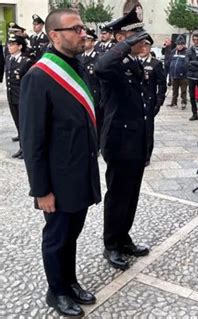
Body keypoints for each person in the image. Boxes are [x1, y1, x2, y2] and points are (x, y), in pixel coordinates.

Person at [20, 8, 101, 317]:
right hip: (57, 180)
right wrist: (41, 191)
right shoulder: (38, 77)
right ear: (55, 35)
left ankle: (69, 282)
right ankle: (56, 291)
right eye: (75, 29)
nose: (83, 33)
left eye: (82, 28)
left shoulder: (78, 67)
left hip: (80, 172)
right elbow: (32, 141)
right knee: (57, 238)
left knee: (72, 234)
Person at [95, 4, 151, 271]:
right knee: (118, 195)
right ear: (121, 38)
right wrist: (125, 43)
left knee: (131, 194)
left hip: (136, 143)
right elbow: (101, 67)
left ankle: (124, 237)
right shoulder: (112, 62)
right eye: (135, 35)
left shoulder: (131, 61)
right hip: (119, 143)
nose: (142, 40)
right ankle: (111, 244)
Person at [139, 35, 167, 165]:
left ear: (150, 47)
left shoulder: (155, 64)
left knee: (147, 130)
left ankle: (146, 155)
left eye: (146, 46)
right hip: (135, 101)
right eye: (142, 45)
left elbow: (162, 85)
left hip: (149, 101)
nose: (143, 48)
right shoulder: (134, 61)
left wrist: (159, 102)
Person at [5, 34, 33, 159]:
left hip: (22, 98)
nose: (9, 47)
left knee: (24, 125)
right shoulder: (9, 59)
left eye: (12, 45)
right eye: (9, 44)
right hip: (12, 97)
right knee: (18, 124)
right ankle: (22, 147)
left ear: (20, 46)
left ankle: (26, 148)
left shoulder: (25, 61)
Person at [78, 28, 103, 143]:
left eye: (88, 39)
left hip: (94, 95)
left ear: (93, 42)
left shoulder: (99, 58)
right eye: (83, 39)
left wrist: (102, 99)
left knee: (96, 122)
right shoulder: (79, 57)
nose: (85, 42)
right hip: (81, 93)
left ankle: (96, 143)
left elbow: (102, 81)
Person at [167, 35, 188, 109]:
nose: (179, 46)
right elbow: (170, 62)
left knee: (183, 91)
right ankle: (174, 103)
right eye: (178, 44)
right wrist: (170, 75)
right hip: (174, 74)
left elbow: (188, 64)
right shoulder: (173, 51)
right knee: (174, 90)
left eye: (181, 44)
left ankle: (183, 103)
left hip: (184, 76)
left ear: (184, 45)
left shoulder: (187, 52)